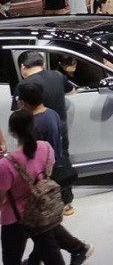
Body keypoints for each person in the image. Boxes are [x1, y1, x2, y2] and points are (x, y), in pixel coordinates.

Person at [14, 83, 92, 265]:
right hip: (54, 170)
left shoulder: (34, 124)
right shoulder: (52, 114)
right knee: (44, 225)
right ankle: (36, 260)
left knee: (41, 225)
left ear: (24, 102)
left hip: (42, 178)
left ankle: (79, 248)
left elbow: (31, 155)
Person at [0, 109, 71, 265]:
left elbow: (1, 199)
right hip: (41, 212)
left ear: (12, 132)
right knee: (52, 257)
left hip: (15, 219)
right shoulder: (46, 148)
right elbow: (48, 172)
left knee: (11, 259)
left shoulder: (6, 164)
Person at [18, 50, 76, 216]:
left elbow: (20, 111)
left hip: (36, 130)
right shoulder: (57, 75)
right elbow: (71, 91)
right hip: (59, 127)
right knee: (61, 161)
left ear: (23, 67)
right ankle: (66, 203)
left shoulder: (24, 85)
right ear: (42, 63)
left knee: (38, 167)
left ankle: (45, 205)